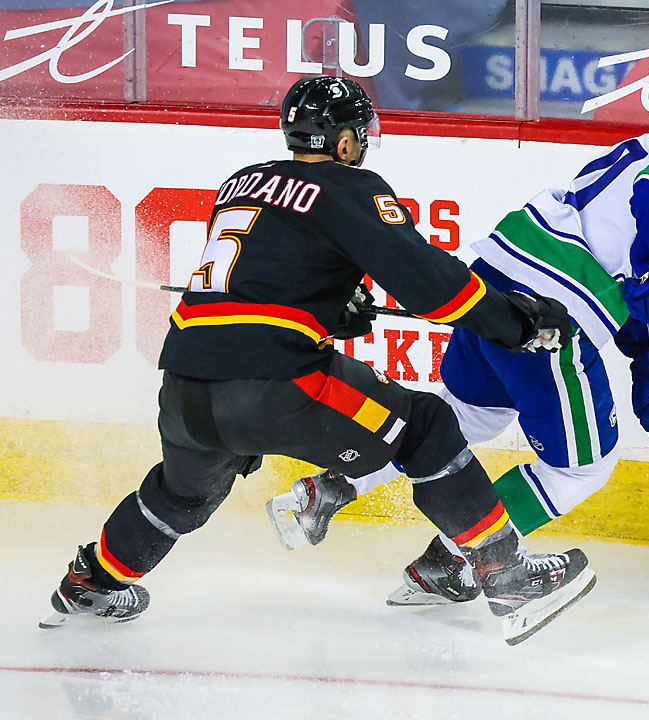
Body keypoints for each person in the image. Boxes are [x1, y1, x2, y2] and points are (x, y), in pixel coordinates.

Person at [39, 75, 596, 646]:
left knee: (184, 492)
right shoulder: (349, 188)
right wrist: (518, 324)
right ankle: (505, 577)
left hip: (185, 384)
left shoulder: (240, 184)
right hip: (276, 381)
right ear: (346, 142)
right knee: (426, 428)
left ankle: (92, 582)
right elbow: (432, 287)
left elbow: (262, 282)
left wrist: (333, 310)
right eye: (359, 134)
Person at [267, 66, 649, 605]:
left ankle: (326, 491)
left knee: (466, 414)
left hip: (499, 272)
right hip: (552, 307)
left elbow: (642, 276)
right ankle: (457, 564)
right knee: (581, 467)